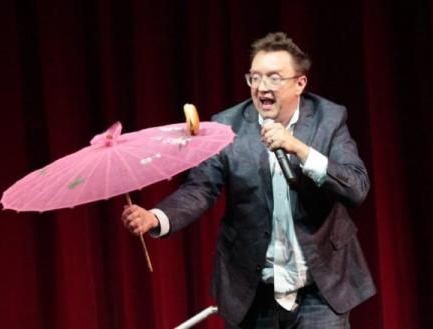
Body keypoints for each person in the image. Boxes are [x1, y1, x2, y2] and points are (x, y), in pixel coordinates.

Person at [121, 32, 376, 328]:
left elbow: (356, 187)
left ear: (300, 83)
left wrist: (300, 149)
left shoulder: (328, 120)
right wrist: (156, 217)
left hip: (319, 290)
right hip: (253, 293)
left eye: (274, 78)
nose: (262, 87)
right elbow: (201, 188)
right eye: (254, 78)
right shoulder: (227, 126)